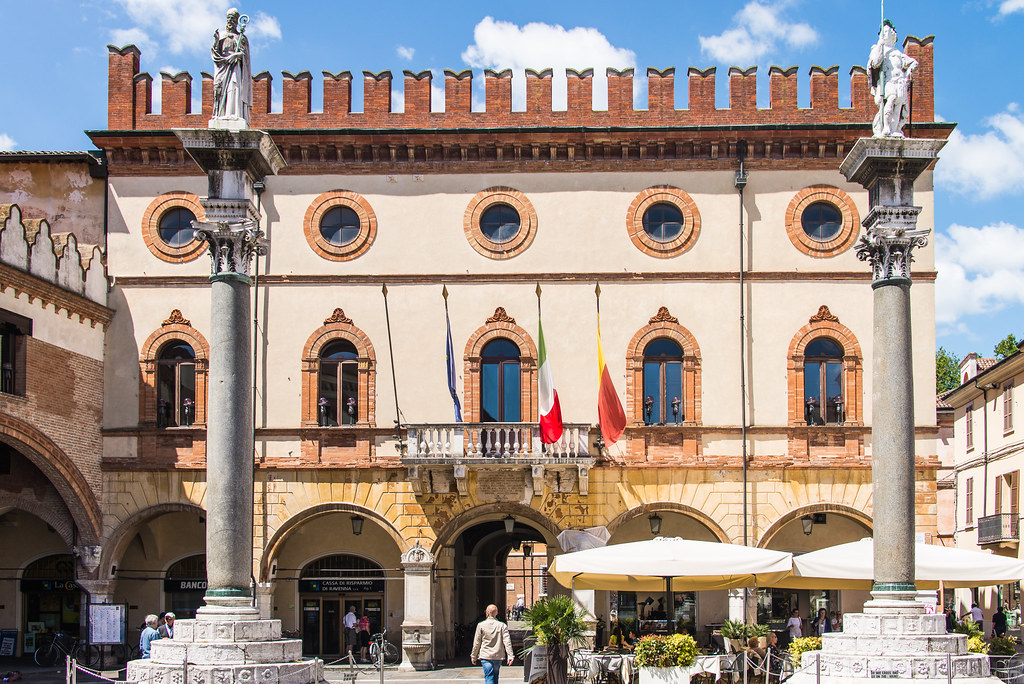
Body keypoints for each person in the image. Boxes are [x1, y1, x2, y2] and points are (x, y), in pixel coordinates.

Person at [867, 19, 918, 138]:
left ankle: (895, 129)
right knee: (891, 99)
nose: (886, 34)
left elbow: (914, 63)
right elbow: (875, 63)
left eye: (888, 32)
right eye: (884, 32)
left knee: (898, 105)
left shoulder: (898, 53)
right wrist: (880, 44)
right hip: (888, 81)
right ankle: (886, 126)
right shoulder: (878, 49)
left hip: (900, 82)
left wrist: (909, 72)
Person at [210, 7, 252, 124]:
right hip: (223, 66)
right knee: (218, 88)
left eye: (233, 19)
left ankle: (233, 113)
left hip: (235, 67)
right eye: (228, 18)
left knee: (234, 86)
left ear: (236, 21)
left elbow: (245, 56)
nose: (230, 21)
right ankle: (220, 113)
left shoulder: (241, 37)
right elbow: (215, 53)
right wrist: (215, 41)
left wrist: (238, 55)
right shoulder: (221, 35)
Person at [471, 604, 514, 684]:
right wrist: (510, 655)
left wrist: (474, 656)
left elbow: (477, 642)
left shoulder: (481, 625)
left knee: (489, 677)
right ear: (496, 613)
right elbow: (507, 641)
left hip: (485, 655)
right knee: (495, 676)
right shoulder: (502, 626)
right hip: (498, 655)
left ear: (487, 613)